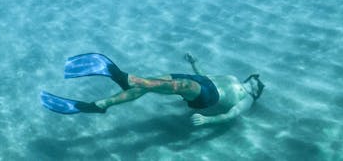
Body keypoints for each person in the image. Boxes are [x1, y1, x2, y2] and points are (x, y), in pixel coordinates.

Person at [41, 51, 264, 127]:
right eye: (256, 79)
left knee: (179, 85)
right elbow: (206, 75)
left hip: (208, 97)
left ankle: (126, 77)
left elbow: (231, 114)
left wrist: (208, 121)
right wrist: (194, 63)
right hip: (200, 80)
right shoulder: (233, 77)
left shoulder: (249, 99)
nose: (257, 82)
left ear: (256, 91)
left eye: (258, 86)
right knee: (149, 84)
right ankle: (101, 105)